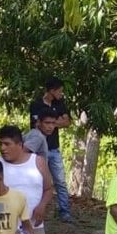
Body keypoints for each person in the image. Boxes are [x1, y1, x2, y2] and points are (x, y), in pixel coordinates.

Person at [30, 77, 74, 223]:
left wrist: (49, 122)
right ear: (52, 91)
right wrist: (57, 121)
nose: (61, 94)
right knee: (37, 180)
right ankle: (34, 208)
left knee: (60, 181)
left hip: (54, 148)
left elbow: (67, 122)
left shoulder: (59, 103)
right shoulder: (36, 105)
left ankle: (64, 212)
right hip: (38, 150)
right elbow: (36, 125)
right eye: (60, 91)